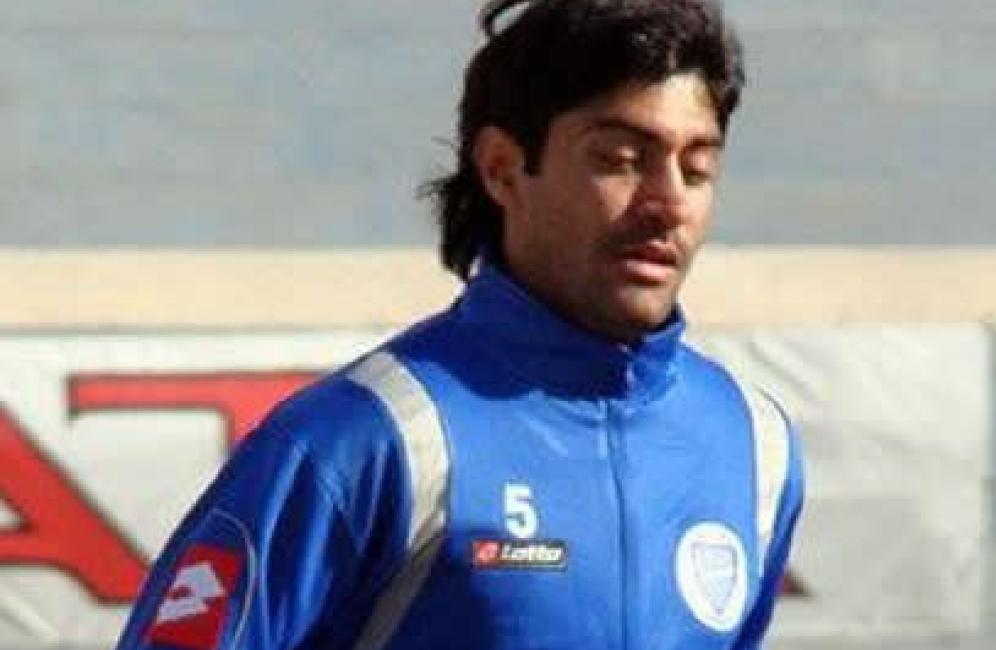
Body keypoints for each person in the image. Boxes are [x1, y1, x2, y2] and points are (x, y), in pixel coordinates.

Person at [116, 0, 805, 648]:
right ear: (502, 168)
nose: (669, 202)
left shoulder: (755, 447)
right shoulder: (367, 440)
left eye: (697, 168)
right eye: (619, 161)